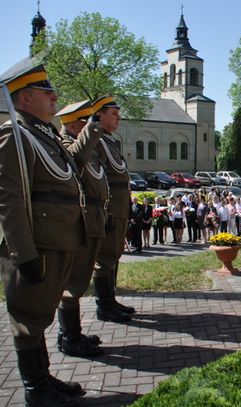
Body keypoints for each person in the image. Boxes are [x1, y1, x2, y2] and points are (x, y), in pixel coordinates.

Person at [0, 60, 86, 406]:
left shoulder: (42, 135)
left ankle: (44, 378)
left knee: (40, 315)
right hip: (37, 244)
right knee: (27, 318)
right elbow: (9, 198)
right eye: (46, 91)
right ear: (23, 99)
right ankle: (36, 390)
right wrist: (24, 254)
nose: (55, 97)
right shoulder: (14, 135)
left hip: (56, 240)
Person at [55, 99, 108, 358]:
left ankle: (71, 334)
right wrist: (90, 132)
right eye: (87, 122)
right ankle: (69, 338)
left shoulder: (84, 141)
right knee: (73, 282)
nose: (93, 126)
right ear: (76, 124)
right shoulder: (66, 143)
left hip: (95, 216)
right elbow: (74, 161)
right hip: (84, 219)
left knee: (79, 279)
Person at [92, 96, 134, 323]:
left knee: (114, 256)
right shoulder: (95, 139)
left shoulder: (107, 140)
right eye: (113, 113)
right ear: (99, 114)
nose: (118, 116)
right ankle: (104, 306)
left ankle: (111, 300)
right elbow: (100, 178)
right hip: (110, 208)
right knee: (105, 258)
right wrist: (106, 209)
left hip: (119, 207)